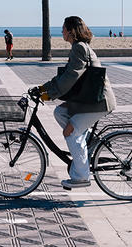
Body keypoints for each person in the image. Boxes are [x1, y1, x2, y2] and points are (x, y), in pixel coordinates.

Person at [35, 16, 117, 190]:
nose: (62, 31)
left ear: (71, 31)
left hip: (98, 101)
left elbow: (71, 77)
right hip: (90, 99)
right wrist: (43, 88)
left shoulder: (79, 48)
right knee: (60, 112)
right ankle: (85, 142)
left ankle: (81, 176)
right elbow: (64, 76)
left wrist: (49, 95)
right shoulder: (78, 47)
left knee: (70, 131)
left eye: (64, 28)